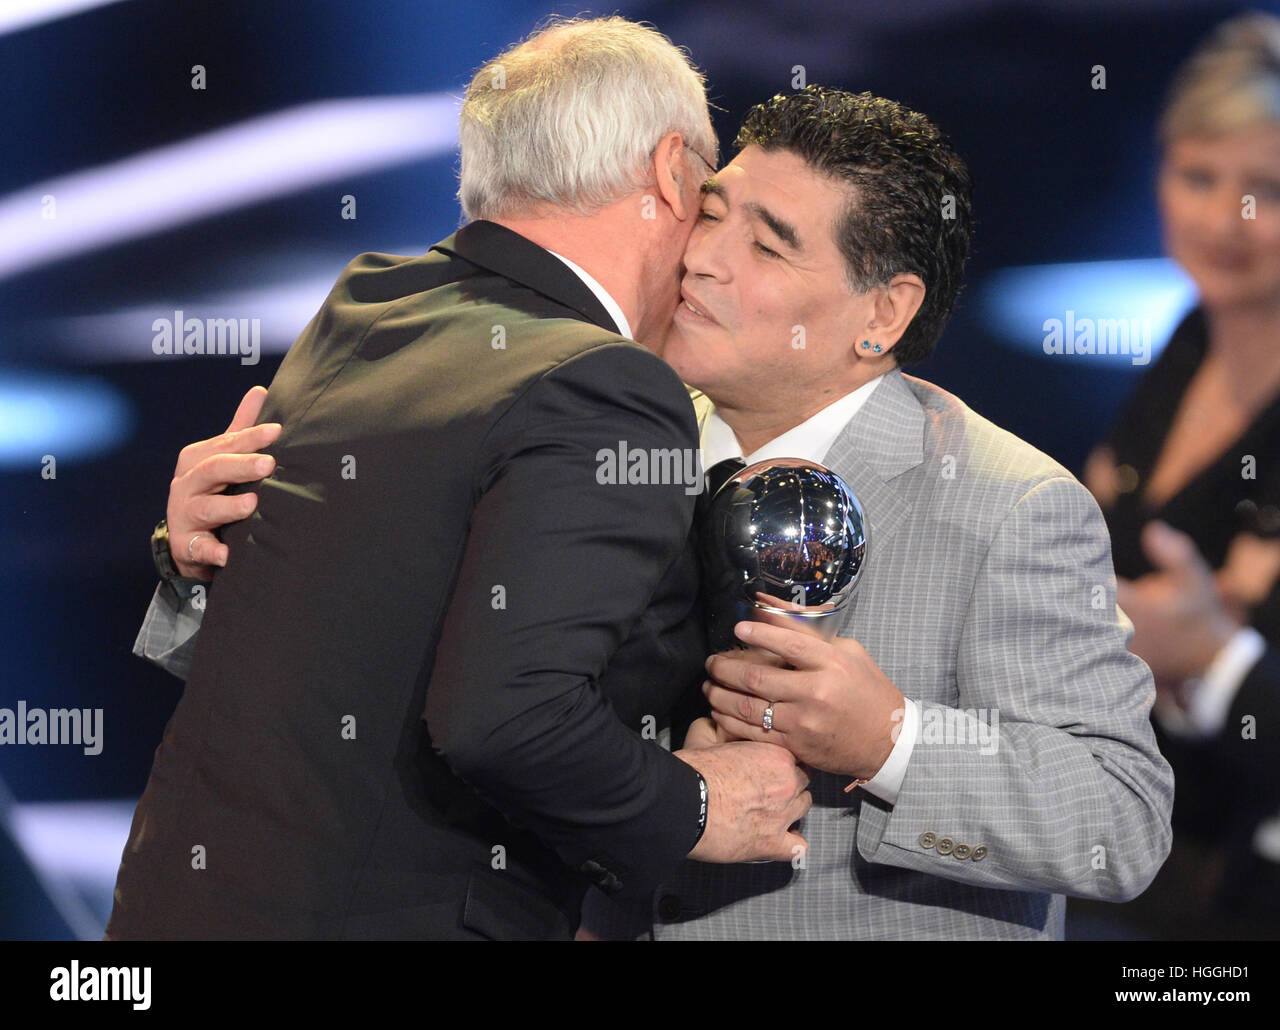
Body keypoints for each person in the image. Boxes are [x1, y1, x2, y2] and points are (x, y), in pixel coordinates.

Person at [156, 85, 1175, 940]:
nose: (704, 257)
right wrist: (226, 564)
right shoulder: (591, 430)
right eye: (713, 210)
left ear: (883, 314)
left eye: (768, 245)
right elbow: (430, 688)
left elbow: (1121, 821)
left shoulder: (1013, 503)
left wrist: (892, 739)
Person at [107, 16, 812, 941]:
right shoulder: (603, 383)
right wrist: (693, 807)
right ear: (670, 171)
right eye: (711, 201)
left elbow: (348, 630)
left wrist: (192, 567)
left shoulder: (369, 304)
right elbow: (505, 718)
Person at [1076, 11, 1280, 938]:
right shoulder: (1189, 339)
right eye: (1198, 176)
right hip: (1131, 859)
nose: (1224, 220)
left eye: (1270, 191)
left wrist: (1215, 661)